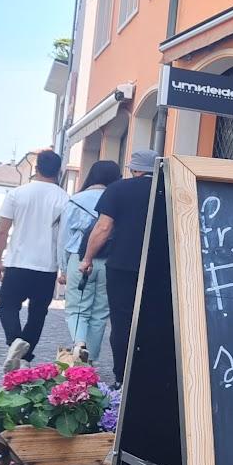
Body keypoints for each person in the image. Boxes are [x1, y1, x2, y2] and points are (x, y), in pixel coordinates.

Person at [78, 149, 156, 387]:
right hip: (160, 268)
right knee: (154, 321)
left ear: (135, 169)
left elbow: (103, 228)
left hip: (122, 265)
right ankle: (150, 377)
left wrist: (87, 258)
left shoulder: (118, 189)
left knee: (122, 323)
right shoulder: (172, 189)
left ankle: (123, 378)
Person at [0, 149, 69, 372]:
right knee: (38, 313)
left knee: (7, 306)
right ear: (59, 170)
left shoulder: (17, 194)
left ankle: (15, 342)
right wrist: (64, 267)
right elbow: (64, 237)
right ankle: (24, 354)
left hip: (17, 262)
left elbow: (2, 232)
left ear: (36, 169)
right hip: (47, 266)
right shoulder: (64, 199)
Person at [58, 160, 122, 363]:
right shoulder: (117, 199)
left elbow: (64, 237)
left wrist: (63, 267)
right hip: (108, 260)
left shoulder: (75, 200)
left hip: (80, 258)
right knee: (101, 312)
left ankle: (79, 344)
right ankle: (89, 361)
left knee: (77, 308)